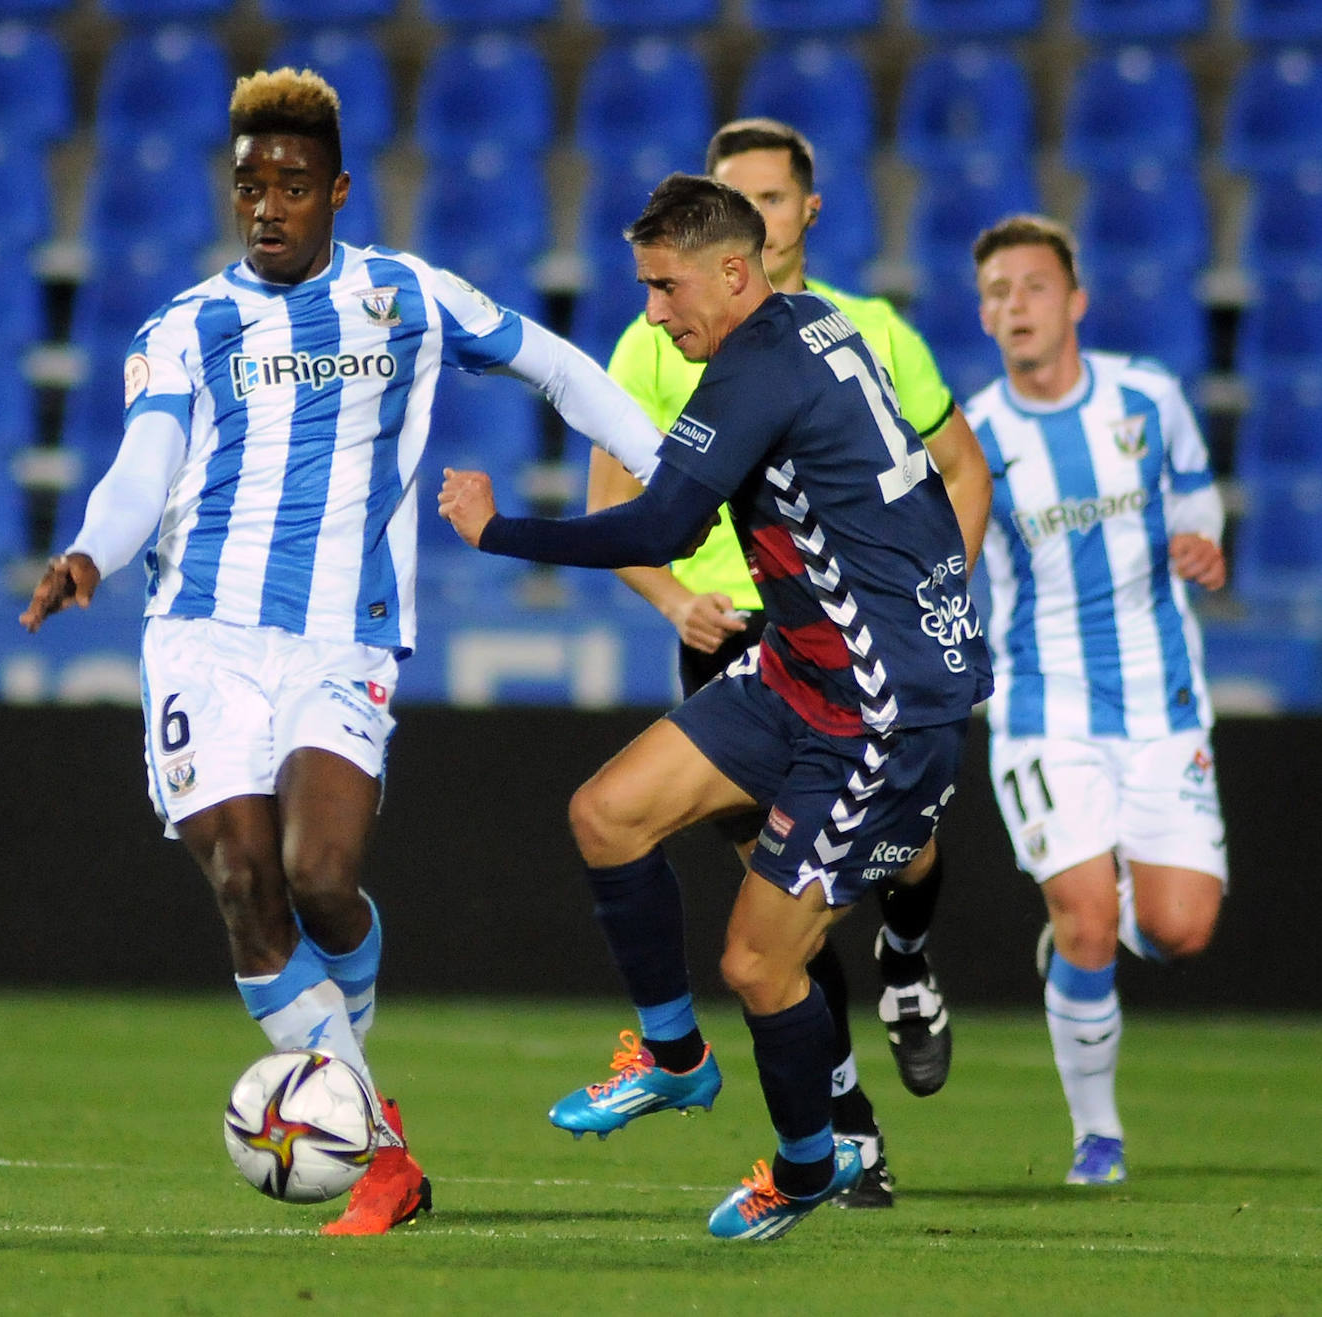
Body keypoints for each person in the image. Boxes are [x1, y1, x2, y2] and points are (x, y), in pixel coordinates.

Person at [18, 68, 664, 1236]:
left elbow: (559, 369)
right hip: (202, 638)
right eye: (249, 185)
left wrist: (674, 470)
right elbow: (145, 463)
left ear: (339, 192)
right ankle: (382, 1151)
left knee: (321, 880)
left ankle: (341, 1086)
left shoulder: (406, 296)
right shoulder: (185, 328)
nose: (268, 205)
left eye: (294, 185)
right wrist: (89, 556)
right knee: (243, 881)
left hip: (341, 637)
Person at [440, 174, 991, 1239]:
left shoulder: (758, 371)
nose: (654, 312)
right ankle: (675, 1058)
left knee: (757, 962)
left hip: (880, 707)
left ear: (733, 273)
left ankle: (805, 1166)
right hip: (806, 665)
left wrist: (502, 531)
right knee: (608, 813)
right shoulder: (810, 325)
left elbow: (663, 529)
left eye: (664, 287)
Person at [585, 119, 993, 1208]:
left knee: (864, 884)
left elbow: (959, 470)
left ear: (800, 215)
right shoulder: (651, 338)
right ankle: (841, 1127)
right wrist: (677, 602)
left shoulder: (866, 332)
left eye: (772, 197)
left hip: (870, 665)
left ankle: (907, 962)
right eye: (736, 194)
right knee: (767, 925)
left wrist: (925, 608)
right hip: (746, 651)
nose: (755, 213)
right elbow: (618, 508)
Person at [966, 215, 1228, 1186]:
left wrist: (1200, 540)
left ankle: (1095, 933)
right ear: (983, 314)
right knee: (1083, 914)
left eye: (1032, 287)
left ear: (1075, 301)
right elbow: (952, 560)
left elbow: (1196, 493)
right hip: (1044, 705)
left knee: (1177, 929)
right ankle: (1098, 1137)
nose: (1014, 307)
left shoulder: (1148, 396)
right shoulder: (976, 435)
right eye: (996, 293)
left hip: (1163, 700)